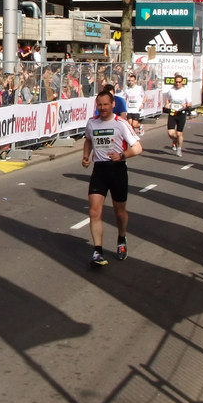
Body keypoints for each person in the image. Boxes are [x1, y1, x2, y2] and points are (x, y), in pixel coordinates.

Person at [82, 88, 143, 268]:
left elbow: (138, 148)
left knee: (119, 212)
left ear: (113, 105)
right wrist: (85, 156)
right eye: (99, 105)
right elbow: (88, 140)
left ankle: (121, 238)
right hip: (99, 170)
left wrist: (122, 155)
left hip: (117, 170)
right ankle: (98, 251)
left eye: (106, 104)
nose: (102, 108)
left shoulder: (121, 124)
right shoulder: (92, 123)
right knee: (94, 212)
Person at [163, 74, 193, 157]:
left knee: (179, 133)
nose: (178, 83)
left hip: (181, 113)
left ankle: (179, 149)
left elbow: (190, 103)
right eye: (176, 82)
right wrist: (167, 104)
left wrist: (186, 105)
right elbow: (167, 99)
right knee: (170, 133)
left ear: (182, 82)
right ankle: (175, 140)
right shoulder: (171, 90)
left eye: (179, 82)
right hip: (173, 112)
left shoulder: (186, 91)